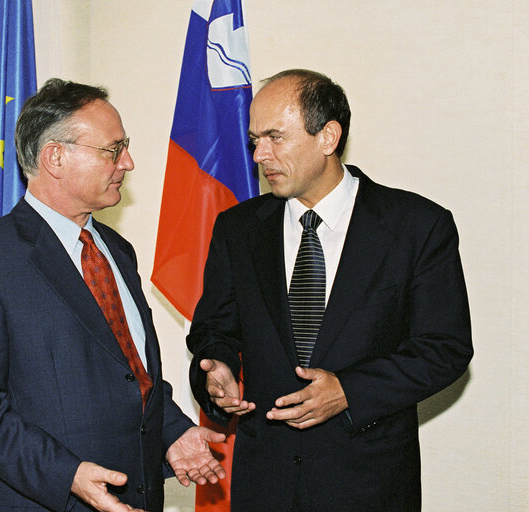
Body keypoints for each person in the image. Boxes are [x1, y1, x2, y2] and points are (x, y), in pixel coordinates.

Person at [0, 78, 226, 512]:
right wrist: (66, 475)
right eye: (113, 149)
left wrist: (173, 433)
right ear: (55, 157)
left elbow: (130, 372)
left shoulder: (117, 251)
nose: (128, 162)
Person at [187, 69, 473, 512]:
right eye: (254, 139)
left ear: (328, 136)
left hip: (368, 484)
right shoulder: (238, 229)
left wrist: (350, 391)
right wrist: (216, 372)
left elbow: (445, 349)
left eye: (274, 137)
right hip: (265, 483)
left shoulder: (416, 226)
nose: (259, 154)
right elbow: (213, 330)